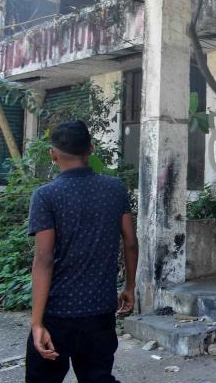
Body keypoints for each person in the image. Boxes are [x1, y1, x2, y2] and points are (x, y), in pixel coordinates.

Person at [25, 120, 138, 383]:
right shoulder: (115, 189)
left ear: (53, 154)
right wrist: (129, 287)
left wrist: (37, 323)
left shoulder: (46, 196)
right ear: (91, 148)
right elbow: (130, 242)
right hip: (100, 310)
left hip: (57, 313)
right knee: (98, 377)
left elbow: (44, 259)